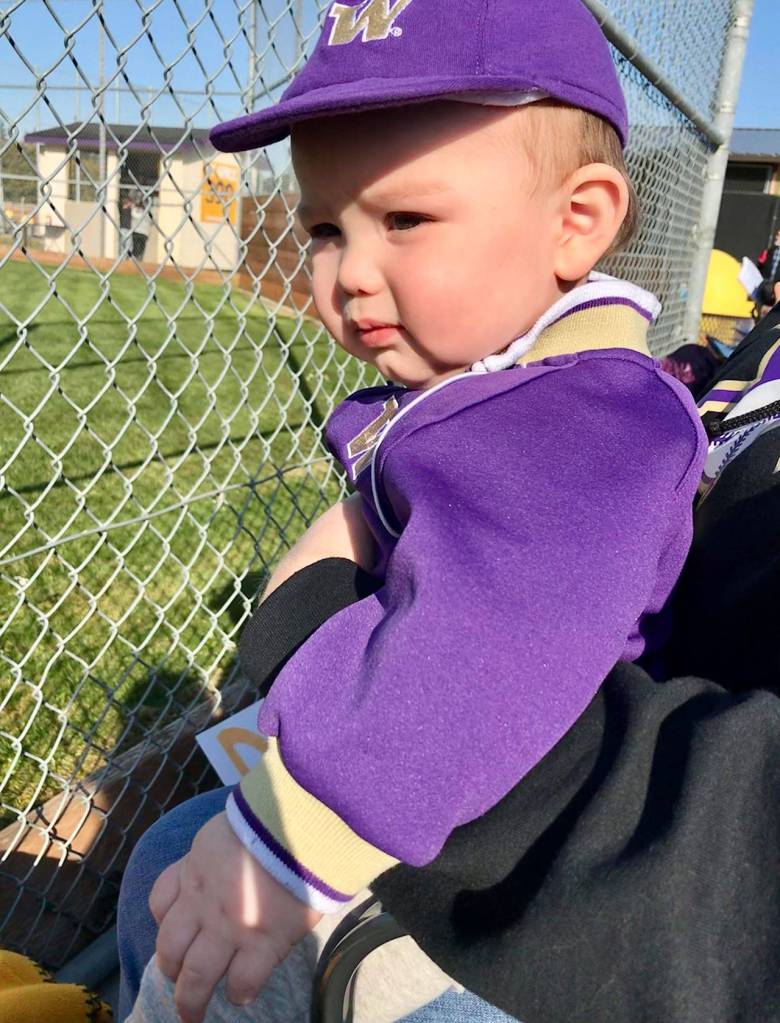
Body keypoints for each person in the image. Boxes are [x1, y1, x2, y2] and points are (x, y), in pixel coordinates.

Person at [117, 2, 710, 1021]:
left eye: (405, 220)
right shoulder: (491, 385)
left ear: (577, 222)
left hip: (522, 857)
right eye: (323, 229)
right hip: (442, 791)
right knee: (162, 872)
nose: (349, 274)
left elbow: (491, 643)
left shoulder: (588, 416)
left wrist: (279, 842)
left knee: (210, 952)